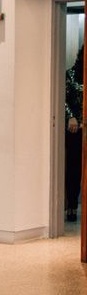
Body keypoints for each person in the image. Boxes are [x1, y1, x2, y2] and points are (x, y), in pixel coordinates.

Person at [65, 44, 84, 222]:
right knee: (73, 168)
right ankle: (71, 205)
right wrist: (71, 117)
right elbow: (61, 99)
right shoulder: (70, 75)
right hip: (75, 131)